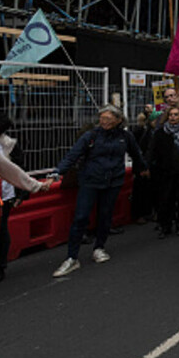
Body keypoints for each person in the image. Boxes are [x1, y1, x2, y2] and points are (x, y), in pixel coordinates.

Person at [51, 105, 149, 277]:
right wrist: (57, 172)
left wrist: (143, 168)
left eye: (108, 119)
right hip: (90, 180)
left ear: (119, 120)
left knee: (105, 216)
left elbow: (136, 154)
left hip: (113, 182)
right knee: (81, 217)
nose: (104, 122)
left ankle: (99, 247)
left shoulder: (125, 137)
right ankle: (72, 257)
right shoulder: (91, 136)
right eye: (102, 119)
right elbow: (72, 155)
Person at [0, 113, 53, 281]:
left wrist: (31, 187)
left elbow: (14, 171)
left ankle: (0, 265)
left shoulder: (6, 145)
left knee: (1, 230)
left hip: (2, 196)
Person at [146, 106, 179, 239]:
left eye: (176, 114)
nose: (173, 117)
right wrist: (148, 166)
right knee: (165, 199)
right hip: (165, 171)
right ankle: (165, 226)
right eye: (171, 115)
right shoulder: (161, 132)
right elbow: (152, 150)